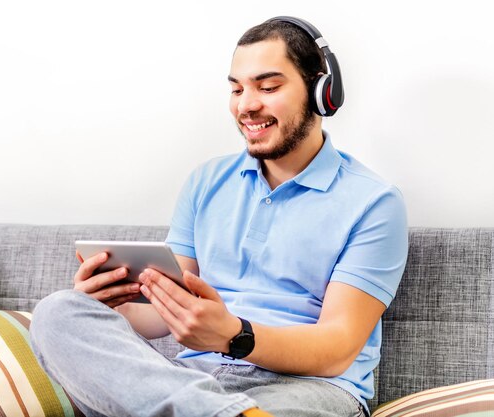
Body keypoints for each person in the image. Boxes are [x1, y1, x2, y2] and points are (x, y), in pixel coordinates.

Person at [30, 16, 408, 417]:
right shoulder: (206, 182)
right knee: (58, 312)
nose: (246, 105)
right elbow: (163, 311)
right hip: (192, 381)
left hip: (309, 389)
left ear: (322, 91)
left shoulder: (374, 202)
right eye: (237, 89)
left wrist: (235, 336)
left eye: (268, 86)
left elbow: (336, 349)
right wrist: (114, 304)